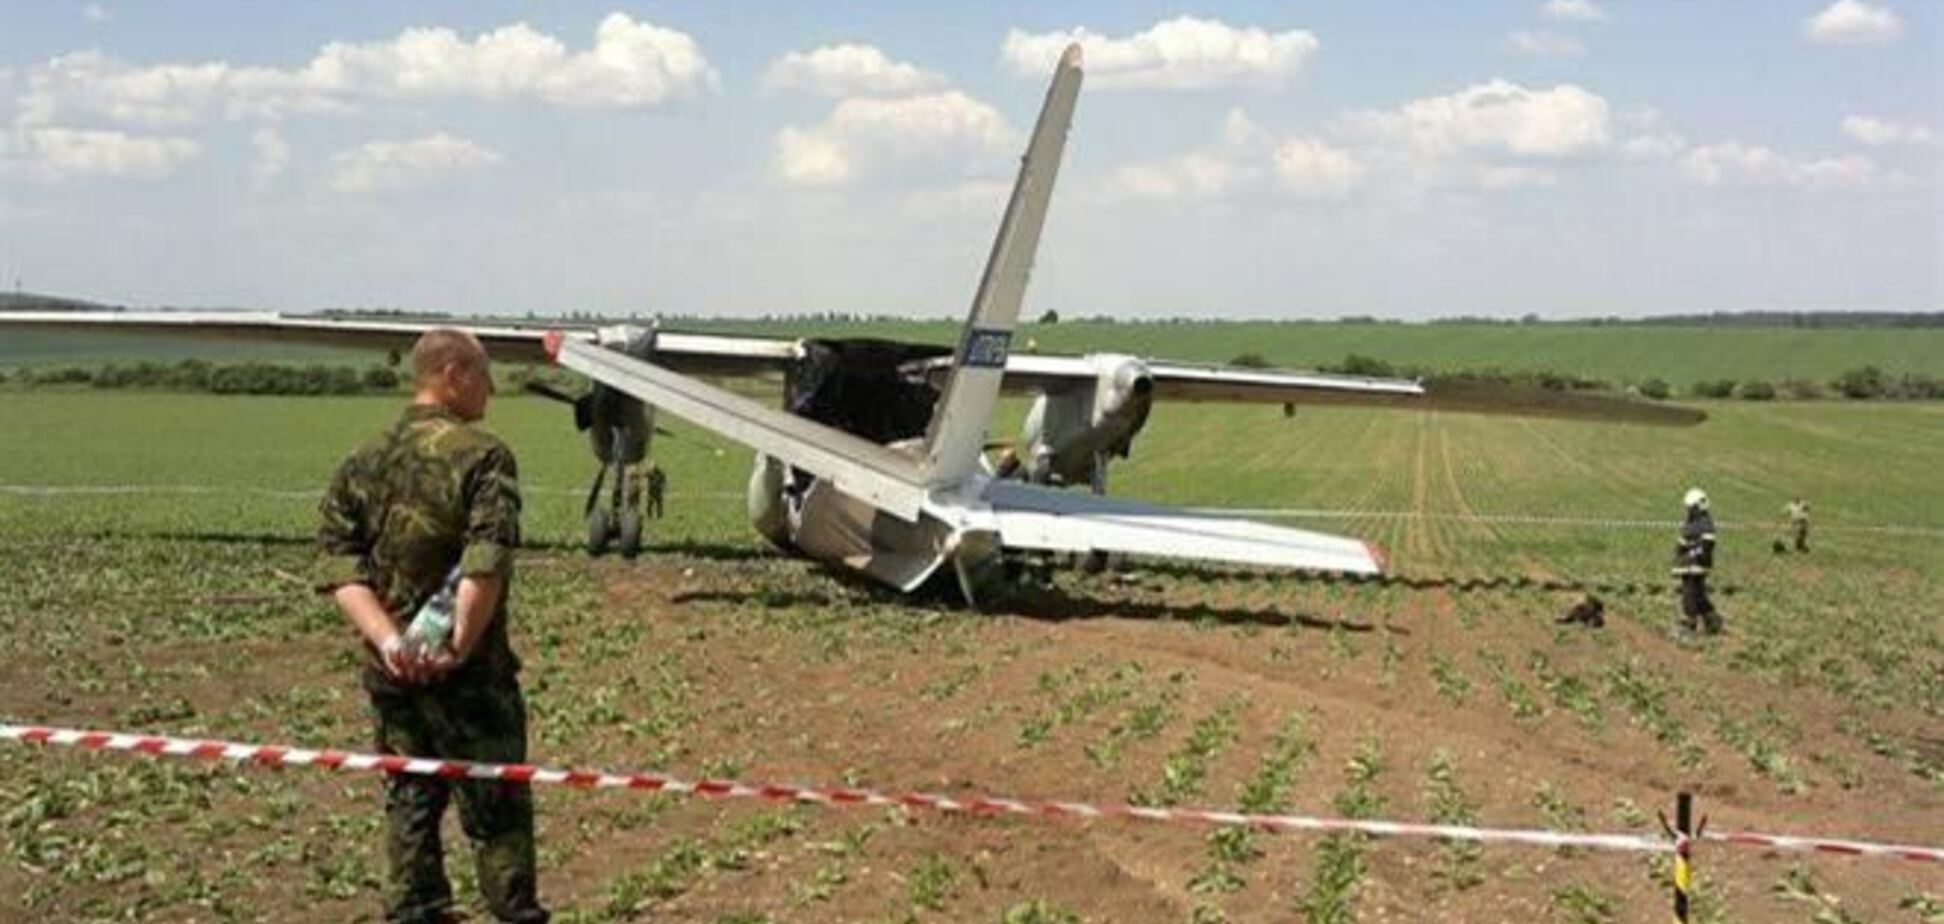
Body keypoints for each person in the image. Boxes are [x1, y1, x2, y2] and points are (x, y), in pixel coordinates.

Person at [316, 328, 549, 924]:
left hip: (391, 673)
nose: (491, 389)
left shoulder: (360, 460)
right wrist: (457, 649)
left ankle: (418, 911)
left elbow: (342, 570)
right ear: (452, 373)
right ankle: (514, 914)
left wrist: (392, 643)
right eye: (484, 374)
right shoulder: (483, 455)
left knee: (409, 802)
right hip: (471, 680)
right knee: (496, 813)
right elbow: (486, 562)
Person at [1672, 487, 1722, 637]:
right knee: (1698, 595)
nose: (1688, 510)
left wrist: (1691, 554)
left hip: (1695, 566)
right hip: (1688, 565)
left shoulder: (1705, 524)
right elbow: (1683, 543)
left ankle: (1690, 625)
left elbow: (1707, 546)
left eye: (1691, 508)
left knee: (1689, 595)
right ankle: (1712, 620)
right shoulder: (1692, 522)